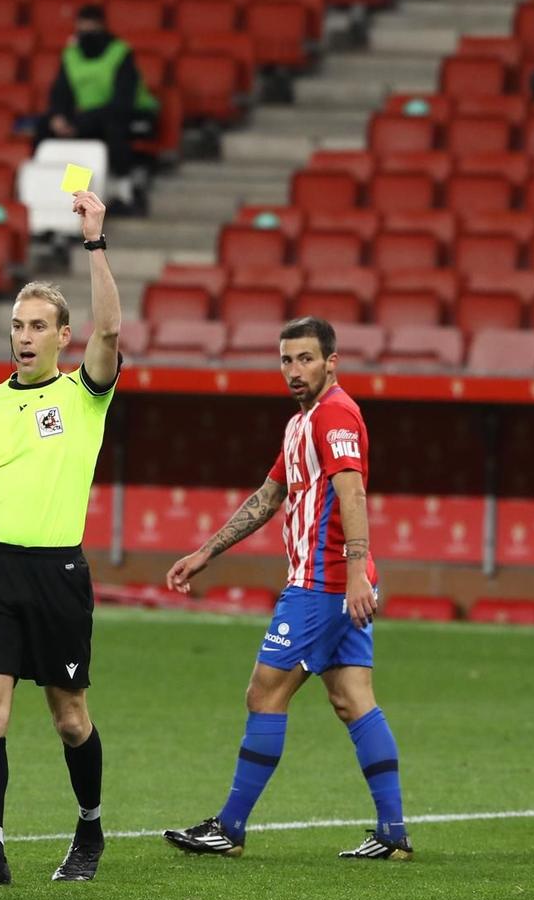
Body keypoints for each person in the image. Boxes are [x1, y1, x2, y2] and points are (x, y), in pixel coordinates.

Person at [161, 317, 412, 863]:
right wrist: (207, 552)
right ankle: (392, 833)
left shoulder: (336, 415)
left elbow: (353, 493)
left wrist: (351, 575)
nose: (295, 371)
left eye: (305, 359)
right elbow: (270, 495)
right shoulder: (302, 423)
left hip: (323, 583)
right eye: (286, 360)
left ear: (331, 362)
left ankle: (229, 827)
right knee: (352, 700)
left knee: (264, 692)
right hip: (333, 582)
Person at [0, 191, 122, 886]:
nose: (26, 335)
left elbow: (112, 329)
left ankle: (91, 827)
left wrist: (94, 242)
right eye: (18, 325)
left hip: (58, 575)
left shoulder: (83, 393)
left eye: (40, 325)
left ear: (64, 336)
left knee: (70, 717)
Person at [42, 5, 160, 185]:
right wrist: (58, 116)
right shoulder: (71, 54)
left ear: (102, 27)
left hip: (132, 112)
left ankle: (123, 187)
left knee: (107, 127)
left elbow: (123, 101)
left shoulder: (120, 52)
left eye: (92, 27)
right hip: (88, 115)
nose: (87, 32)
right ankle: (62, 188)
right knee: (46, 126)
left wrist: (81, 121)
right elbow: (61, 91)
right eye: (83, 27)